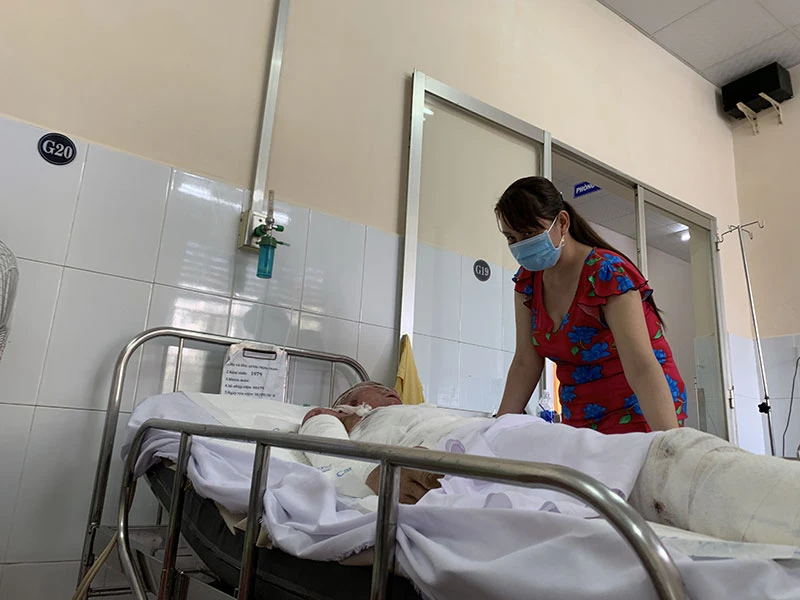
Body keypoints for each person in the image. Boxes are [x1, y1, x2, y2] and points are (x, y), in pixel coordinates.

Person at [301, 382, 800, 549]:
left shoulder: (426, 409)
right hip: (445, 461)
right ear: (352, 405)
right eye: (373, 390)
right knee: (656, 476)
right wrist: (373, 471)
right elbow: (325, 456)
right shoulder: (357, 423)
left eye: (389, 388)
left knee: (671, 463)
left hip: (496, 438)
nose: (387, 391)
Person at [495, 176, 687, 433]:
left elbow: (642, 367)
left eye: (529, 233)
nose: (521, 245)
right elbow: (525, 362)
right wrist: (496, 431)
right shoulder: (527, 283)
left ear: (562, 222)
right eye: (511, 238)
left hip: (639, 407)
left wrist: (668, 442)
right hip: (580, 412)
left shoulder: (607, 274)